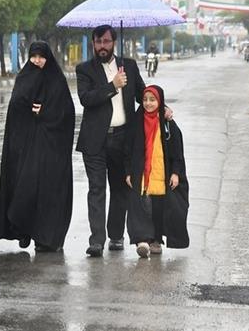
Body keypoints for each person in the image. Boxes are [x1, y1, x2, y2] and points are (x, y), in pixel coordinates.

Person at [0, 41, 75, 252]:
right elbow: (16, 108)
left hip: (51, 148)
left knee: (50, 193)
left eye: (41, 56)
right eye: (34, 56)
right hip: (28, 146)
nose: (38, 60)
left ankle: (47, 238)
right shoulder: (24, 77)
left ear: (48, 57)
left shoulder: (56, 79)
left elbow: (66, 111)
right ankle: (24, 230)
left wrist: (44, 112)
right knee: (26, 189)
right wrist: (29, 111)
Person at [76, 24, 147, 258]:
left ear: (113, 42)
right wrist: (113, 86)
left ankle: (116, 235)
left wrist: (161, 106)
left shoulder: (130, 66)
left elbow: (142, 95)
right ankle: (96, 240)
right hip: (95, 140)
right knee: (96, 189)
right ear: (93, 44)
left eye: (106, 41)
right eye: (98, 42)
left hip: (122, 139)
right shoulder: (84, 69)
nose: (102, 46)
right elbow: (86, 99)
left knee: (120, 189)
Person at [125, 85, 189, 258]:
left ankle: (156, 240)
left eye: (152, 100)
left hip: (161, 175)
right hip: (141, 173)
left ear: (160, 101)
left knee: (158, 209)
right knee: (140, 206)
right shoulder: (136, 120)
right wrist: (128, 172)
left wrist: (176, 173)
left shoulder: (168, 124)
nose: (148, 103)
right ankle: (142, 240)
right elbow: (128, 149)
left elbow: (177, 152)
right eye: (145, 100)